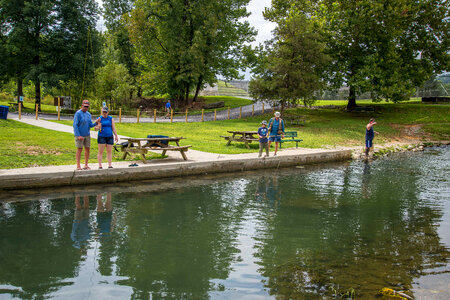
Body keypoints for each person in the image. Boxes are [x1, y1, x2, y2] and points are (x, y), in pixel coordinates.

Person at [73, 100, 99, 170]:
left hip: (87, 134)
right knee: (79, 149)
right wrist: (78, 135)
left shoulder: (88, 114)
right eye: (85, 106)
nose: (86, 108)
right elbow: (75, 125)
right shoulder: (78, 113)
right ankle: (78, 165)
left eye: (87, 107)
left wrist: (96, 123)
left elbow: (90, 125)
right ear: (82, 106)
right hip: (80, 135)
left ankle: (86, 165)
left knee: (87, 149)